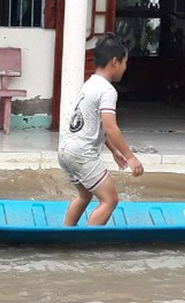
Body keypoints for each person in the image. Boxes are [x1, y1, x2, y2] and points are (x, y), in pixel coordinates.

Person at [58, 33, 144, 226]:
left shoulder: (90, 84)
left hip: (66, 150)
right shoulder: (107, 90)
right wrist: (130, 156)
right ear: (115, 62)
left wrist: (114, 151)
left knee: (84, 196)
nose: (125, 67)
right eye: (125, 62)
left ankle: (65, 235)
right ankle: (85, 246)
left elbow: (93, 124)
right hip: (82, 154)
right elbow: (110, 127)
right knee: (110, 200)